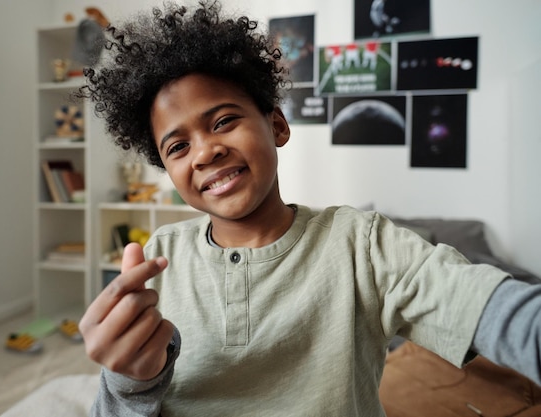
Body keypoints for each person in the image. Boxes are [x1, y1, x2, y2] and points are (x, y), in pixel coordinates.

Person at [76, 1, 541, 416]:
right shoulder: (160, 257)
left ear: (276, 124)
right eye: (177, 147)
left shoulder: (363, 243)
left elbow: (501, 313)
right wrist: (129, 383)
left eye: (223, 121)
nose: (204, 153)